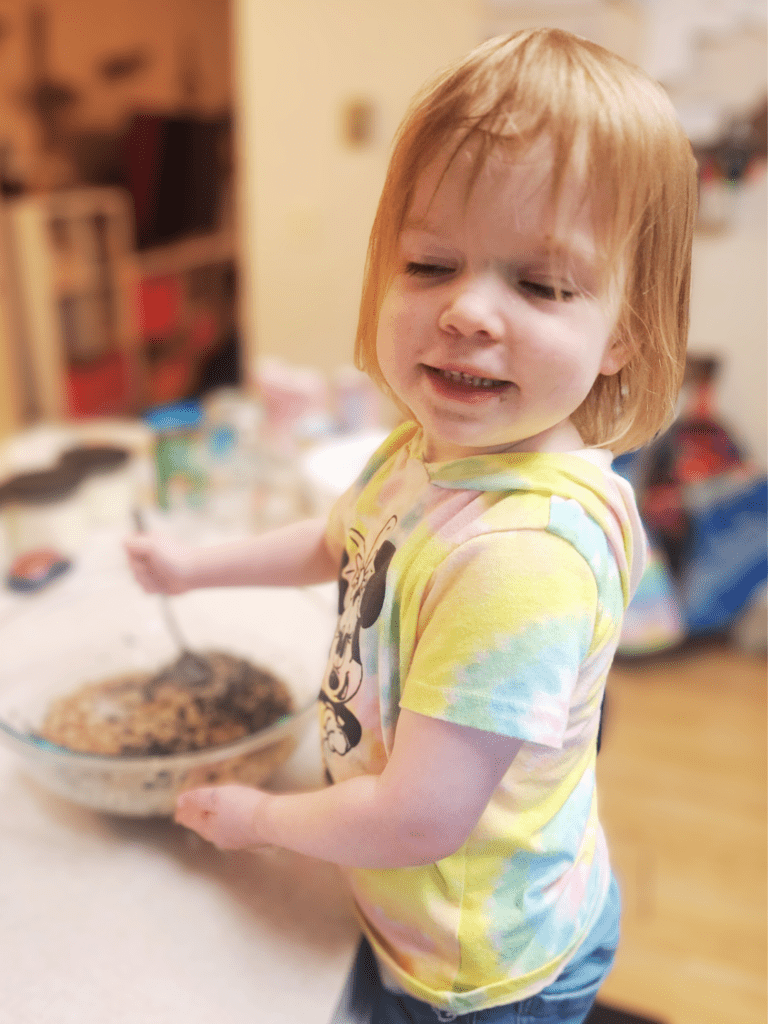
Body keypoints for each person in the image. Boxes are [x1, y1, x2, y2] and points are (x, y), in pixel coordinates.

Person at [125, 27, 698, 1024]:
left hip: (476, 968)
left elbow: (420, 814)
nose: (469, 310)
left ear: (623, 338)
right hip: (422, 890)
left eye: (540, 283)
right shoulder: (427, 446)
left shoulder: (517, 562)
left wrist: (261, 818)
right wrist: (189, 568)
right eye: (431, 263)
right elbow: (334, 540)